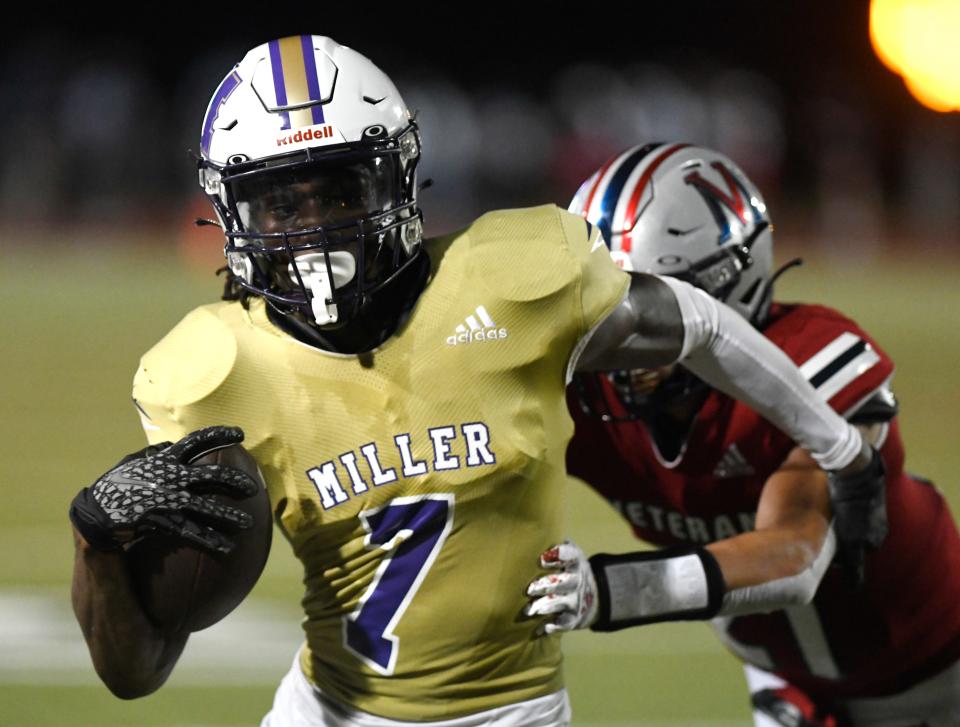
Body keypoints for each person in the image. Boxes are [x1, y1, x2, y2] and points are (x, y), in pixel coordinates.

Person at [69, 39, 883, 727]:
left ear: (397, 177)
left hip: (510, 712)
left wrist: (841, 447)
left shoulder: (511, 277)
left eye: (340, 189)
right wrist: (95, 543)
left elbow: (702, 323)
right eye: (280, 204)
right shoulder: (207, 370)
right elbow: (134, 669)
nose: (315, 229)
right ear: (231, 210)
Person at [526, 143, 960, 726]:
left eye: (648, 301)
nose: (620, 334)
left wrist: (607, 590)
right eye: (602, 302)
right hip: (785, 679)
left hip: (937, 670)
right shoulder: (583, 390)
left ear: (727, 286)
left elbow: (794, 553)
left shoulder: (812, 358)